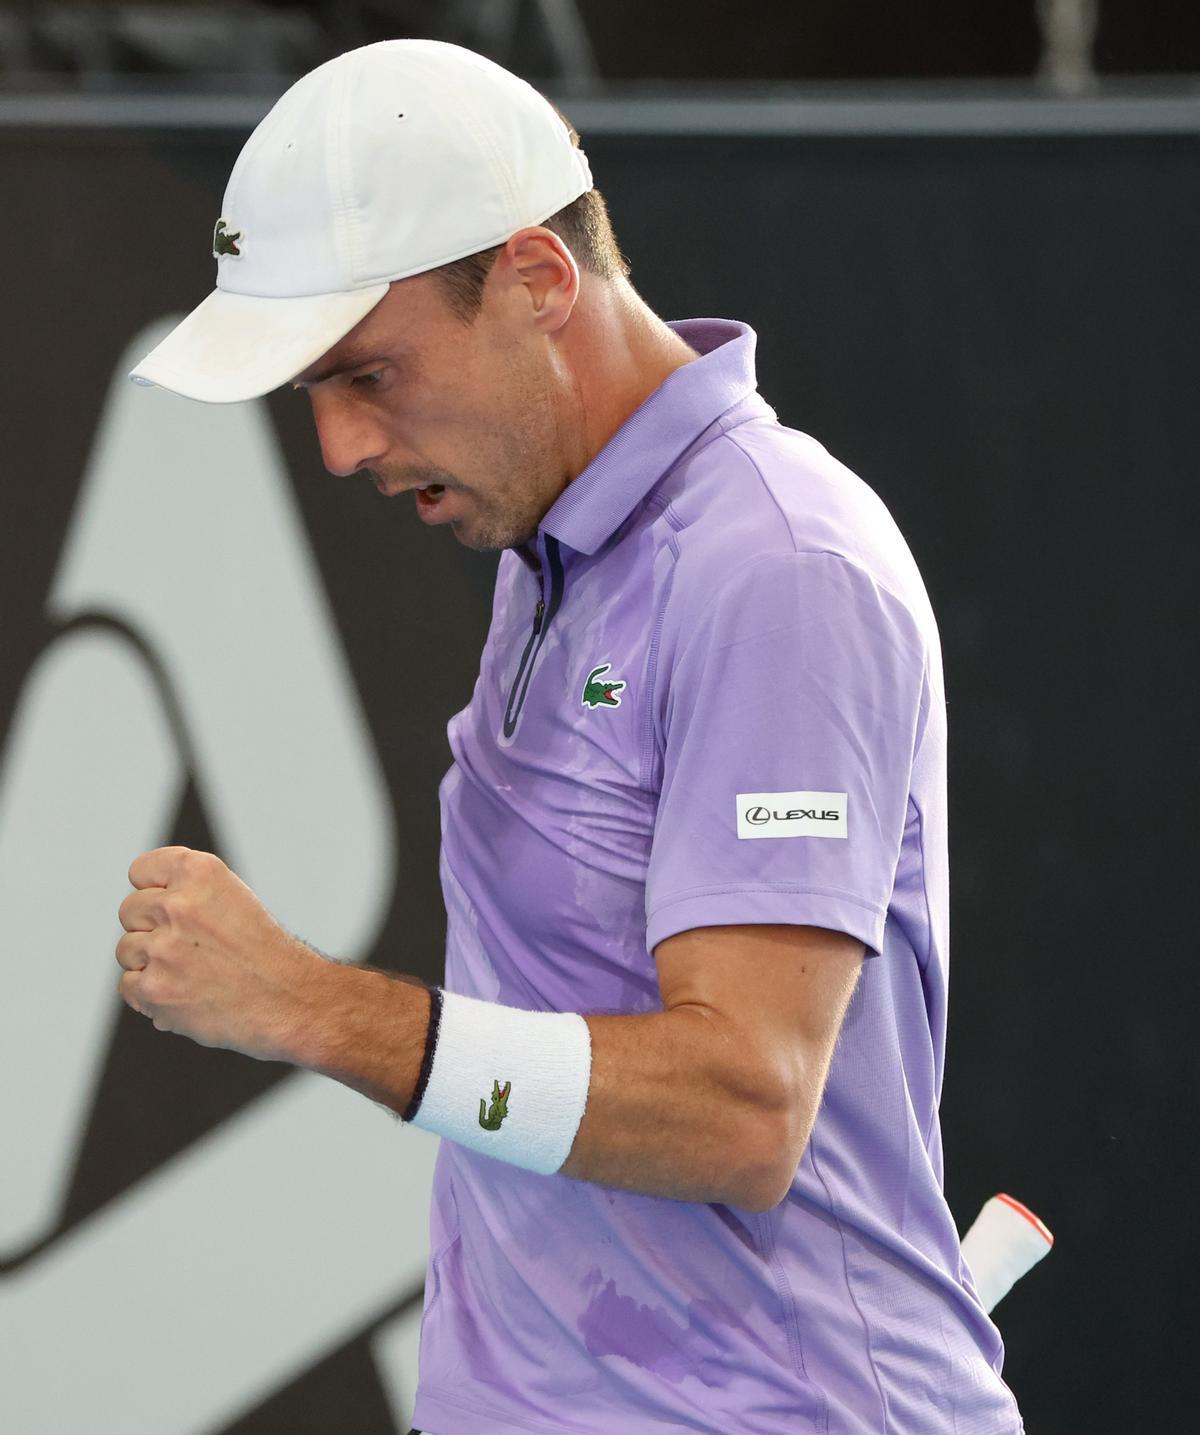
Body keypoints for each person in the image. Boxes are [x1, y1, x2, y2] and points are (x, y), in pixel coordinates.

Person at [117, 38, 1025, 1435]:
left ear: (539, 282)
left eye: (368, 374)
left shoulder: (777, 565)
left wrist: (307, 1003)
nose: (341, 448)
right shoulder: (555, 540)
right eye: (316, 394)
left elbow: (743, 1108)